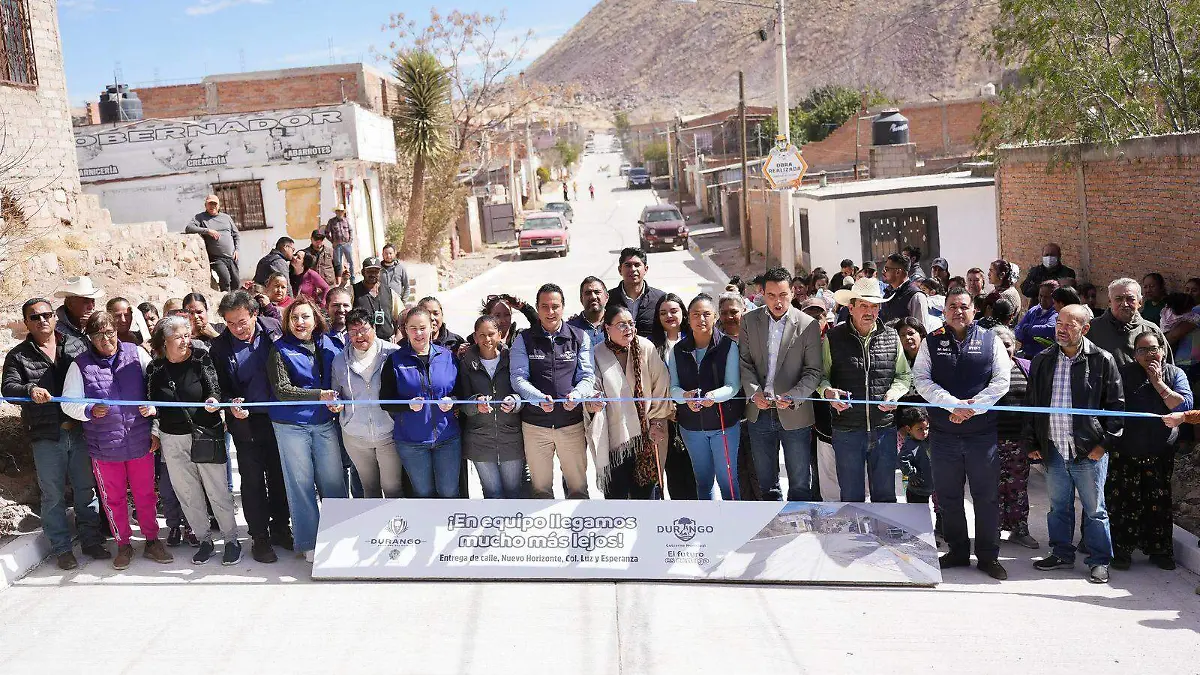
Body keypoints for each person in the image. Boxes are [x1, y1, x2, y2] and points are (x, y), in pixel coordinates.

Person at [61, 312, 173, 569]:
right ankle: (123, 544)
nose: (105, 339)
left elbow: (157, 388)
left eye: (109, 332)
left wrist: (153, 413)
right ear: (90, 338)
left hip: (140, 442)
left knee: (146, 495)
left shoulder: (137, 354)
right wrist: (88, 410)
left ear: (116, 331)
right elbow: (68, 402)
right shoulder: (80, 366)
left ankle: (152, 540)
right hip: (104, 447)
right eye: (98, 335)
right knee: (113, 499)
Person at [2, 298, 108, 569]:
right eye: (35, 317)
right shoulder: (18, 355)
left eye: (47, 315)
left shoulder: (75, 345)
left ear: (55, 317)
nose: (42, 321)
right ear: (26, 322)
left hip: (82, 430)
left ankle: (91, 540)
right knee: (52, 494)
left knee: (86, 489)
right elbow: (9, 388)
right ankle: (62, 548)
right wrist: (29, 390)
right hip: (46, 434)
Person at [913, 287, 1011, 581]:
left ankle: (988, 556)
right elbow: (921, 379)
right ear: (943, 312)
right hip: (943, 435)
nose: (958, 311)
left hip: (982, 436)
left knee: (986, 497)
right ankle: (957, 551)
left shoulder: (990, 340)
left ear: (975, 310)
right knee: (949, 496)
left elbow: (1001, 381)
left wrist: (973, 408)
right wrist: (952, 405)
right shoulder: (931, 342)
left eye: (964, 306)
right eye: (952, 306)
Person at [1026, 304, 1123, 584]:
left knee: (1095, 510)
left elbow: (1117, 409)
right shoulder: (1044, 359)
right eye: (1059, 322)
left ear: (1085, 328)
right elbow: (1032, 404)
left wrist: (1102, 446)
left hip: (1089, 452)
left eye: (1070, 324)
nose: (1062, 329)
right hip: (1054, 449)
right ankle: (1061, 554)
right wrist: (1032, 441)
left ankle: (1099, 560)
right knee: (1059, 506)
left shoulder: (1102, 360)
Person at [144, 316, 242, 565]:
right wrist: (151, 413)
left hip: (206, 434)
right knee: (187, 493)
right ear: (164, 341)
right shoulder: (154, 369)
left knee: (217, 490)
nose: (185, 341)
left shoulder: (201, 358)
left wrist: (212, 401)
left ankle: (231, 540)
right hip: (172, 439)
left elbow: (214, 389)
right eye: (178, 336)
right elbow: (150, 401)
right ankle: (204, 540)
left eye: (187, 335)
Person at [211, 291, 291, 563]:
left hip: (280, 419)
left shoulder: (275, 330)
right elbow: (218, 388)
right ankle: (260, 537)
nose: (237, 328)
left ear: (254, 314)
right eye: (230, 323)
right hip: (246, 425)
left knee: (280, 477)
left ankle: (281, 527)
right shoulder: (220, 347)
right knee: (253, 481)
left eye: (242, 321)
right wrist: (228, 405)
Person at [267, 295, 348, 563]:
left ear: (316, 319)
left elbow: (340, 382)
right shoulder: (279, 349)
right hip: (291, 425)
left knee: (334, 481)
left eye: (305, 316)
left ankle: (340, 535)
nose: (300, 322)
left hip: (324, 422)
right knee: (300, 484)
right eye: (294, 317)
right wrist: (319, 395)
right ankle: (309, 541)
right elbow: (282, 390)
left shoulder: (330, 344)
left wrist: (337, 402)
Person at [819, 278, 913, 503]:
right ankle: (855, 539)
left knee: (885, 496)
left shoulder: (892, 336)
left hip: (884, 429)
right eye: (864, 305)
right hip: (847, 430)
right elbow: (821, 377)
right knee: (851, 497)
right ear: (850, 308)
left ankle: (883, 539)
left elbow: (904, 376)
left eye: (874, 306)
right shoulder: (833, 338)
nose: (870, 311)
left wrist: (895, 393)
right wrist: (828, 393)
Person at [1108, 330, 1191, 570]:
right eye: (1142, 350)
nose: (1149, 354)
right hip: (1126, 450)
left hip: (1159, 452)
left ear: (1163, 351)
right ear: (1135, 355)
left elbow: (1183, 406)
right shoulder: (1124, 374)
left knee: (1159, 502)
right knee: (1123, 502)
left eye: (1153, 349)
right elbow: (1110, 403)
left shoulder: (1175, 374)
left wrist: (1158, 382)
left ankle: (1159, 551)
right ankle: (1122, 552)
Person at [739, 266, 823, 501]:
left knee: (799, 483)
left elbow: (813, 371)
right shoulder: (749, 321)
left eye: (783, 295)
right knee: (767, 485)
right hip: (759, 412)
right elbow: (744, 363)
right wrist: (754, 393)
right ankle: (774, 532)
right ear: (762, 294)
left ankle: (798, 534)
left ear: (792, 294)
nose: (778, 301)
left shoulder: (807, 325)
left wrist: (794, 397)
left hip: (795, 413)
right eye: (772, 295)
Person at [510, 283, 597, 498]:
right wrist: (537, 398)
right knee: (540, 491)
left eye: (555, 306)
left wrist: (577, 396)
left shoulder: (579, 337)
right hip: (535, 427)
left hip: (571, 425)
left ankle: (580, 530)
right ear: (537, 309)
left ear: (563, 307)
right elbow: (518, 377)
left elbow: (587, 376)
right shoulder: (524, 339)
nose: (550, 312)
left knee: (578, 489)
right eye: (545, 306)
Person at [587, 305, 672, 499]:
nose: (629, 329)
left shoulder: (645, 347)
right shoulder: (597, 353)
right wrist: (594, 401)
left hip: (647, 436)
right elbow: (593, 387)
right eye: (622, 325)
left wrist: (657, 421)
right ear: (607, 328)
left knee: (646, 497)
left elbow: (661, 385)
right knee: (616, 499)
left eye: (631, 324)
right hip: (615, 439)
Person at [380, 307, 461, 498]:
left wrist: (453, 401)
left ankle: (446, 528)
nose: (418, 333)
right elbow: (385, 401)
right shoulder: (395, 361)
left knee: (449, 492)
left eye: (422, 328)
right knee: (423, 494)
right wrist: (407, 404)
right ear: (405, 329)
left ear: (432, 328)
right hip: (411, 442)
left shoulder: (447, 357)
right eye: (413, 328)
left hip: (447, 438)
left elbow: (462, 393)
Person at [670, 294, 743, 500]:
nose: (701, 319)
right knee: (703, 481)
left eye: (706, 314)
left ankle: (733, 525)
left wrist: (714, 396)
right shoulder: (678, 350)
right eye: (695, 315)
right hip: (691, 427)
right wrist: (685, 397)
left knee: (727, 480)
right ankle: (710, 527)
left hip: (724, 426)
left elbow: (733, 386)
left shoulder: (728, 346)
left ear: (715, 317)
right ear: (688, 318)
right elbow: (673, 388)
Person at [330, 308, 402, 499]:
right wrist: (335, 403)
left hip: (389, 433)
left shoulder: (393, 354)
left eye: (364, 329)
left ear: (374, 328)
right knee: (369, 489)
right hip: (355, 436)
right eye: (353, 332)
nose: (360, 336)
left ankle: (396, 528)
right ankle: (374, 528)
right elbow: (336, 392)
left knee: (393, 487)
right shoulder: (339, 361)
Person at [458, 315, 524, 499]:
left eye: (491, 334)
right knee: (492, 493)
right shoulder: (466, 363)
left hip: (511, 436)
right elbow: (462, 402)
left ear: (500, 334)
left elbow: (522, 391)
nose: (487, 339)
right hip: (480, 439)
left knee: (513, 492)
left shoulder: (512, 358)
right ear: (475, 336)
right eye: (482, 335)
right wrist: (475, 404)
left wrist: (514, 402)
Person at [991, 325, 1040, 549]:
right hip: (989, 441)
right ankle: (992, 532)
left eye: (1007, 345)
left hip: (1019, 441)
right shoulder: (984, 371)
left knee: (1018, 487)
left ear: (1015, 346)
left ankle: (1020, 530)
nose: (1003, 349)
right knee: (991, 488)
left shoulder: (1026, 367)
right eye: (998, 346)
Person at [648, 292, 696, 500]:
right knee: (673, 474)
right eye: (663, 312)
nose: (669, 316)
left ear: (683, 314)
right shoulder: (650, 346)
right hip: (665, 418)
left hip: (694, 416)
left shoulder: (695, 339)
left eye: (674, 311)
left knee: (695, 474)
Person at [1089, 277, 1173, 367]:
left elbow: (1168, 369)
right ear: (1110, 302)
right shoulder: (1092, 328)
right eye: (1118, 299)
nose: (1124, 304)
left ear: (1140, 302)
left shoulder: (1151, 330)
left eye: (1130, 299)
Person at [186, 194, 241, 292]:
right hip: (217, 258)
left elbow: (236, 235)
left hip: (232, 257)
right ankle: (227, 304)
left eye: (214, 204)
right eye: (210, 204)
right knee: (225, 280)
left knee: (236, 283)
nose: (212, 206)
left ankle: (236, 304)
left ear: (218, 206)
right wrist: (207, 231)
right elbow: (189, 228)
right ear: (205, 205)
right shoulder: (200, 217)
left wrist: (237, 249)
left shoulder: (226, 218)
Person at [608, 247, 666, 338]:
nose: (633, 269)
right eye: (628, 265)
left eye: (637, 265)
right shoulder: (608, 299)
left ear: (646, 269)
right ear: (620, 270)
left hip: (650, 352)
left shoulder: (660, 299)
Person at [880, 253, 936, 331]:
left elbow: (921, 331)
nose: (883, 271)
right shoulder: (887, 293)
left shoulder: (916, 296)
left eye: (887, 269)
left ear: (898, 272)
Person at [352, 257, 402, 342]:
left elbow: (401, 317)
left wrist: (398, 336)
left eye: (376, 271)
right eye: (370, 271)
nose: (373, 274)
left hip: (388, 342)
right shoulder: (353, 291)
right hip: (363, 342)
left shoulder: (389, 292)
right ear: (363, 272)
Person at [897, 406, 934, 507]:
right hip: (917, 490)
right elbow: (902, 459)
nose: (924, 432)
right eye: (920, 429)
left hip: (931, 486)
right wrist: (912, 474)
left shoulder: (928, 441)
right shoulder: (910, 446)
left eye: (926, 428)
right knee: (917, 516)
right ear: (909, 429)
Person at [1014, 280, 1059, 359]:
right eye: (1040, 296)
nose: (1042, 300)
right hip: (1026, 355)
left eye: (1047, 297)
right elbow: (1017, 330)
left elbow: (1050, 329)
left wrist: (1028, 329)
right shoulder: (1034, 310)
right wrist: (1027, 335)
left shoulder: (1056, 313)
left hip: (1044, 358)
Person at [53, 276, 104, 341]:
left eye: (92, 301)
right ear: (70, 304)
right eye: (85, 302)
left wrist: (94, 327)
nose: (91, 307)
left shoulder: (98, 325)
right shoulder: (57, 332)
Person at [567, 277, 609, 348]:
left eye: (597, 292)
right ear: (581, 299)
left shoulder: (617, 325)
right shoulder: (570, 329)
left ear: (606, 297)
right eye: (588, 293)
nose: (593, 297)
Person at [324, 205, 354, 287]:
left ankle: (352, 279)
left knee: (350, 262)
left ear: (343, 212)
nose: (340, 213)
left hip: (346, 244)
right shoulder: (331, 221)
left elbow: (351, 231)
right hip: (337, 245)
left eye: (341, 211)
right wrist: (332, 241)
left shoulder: (346, 220)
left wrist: (350, 241)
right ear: (336, 212)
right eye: (338, 211)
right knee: (338, 263)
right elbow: (326, 232)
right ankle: (340, 281)